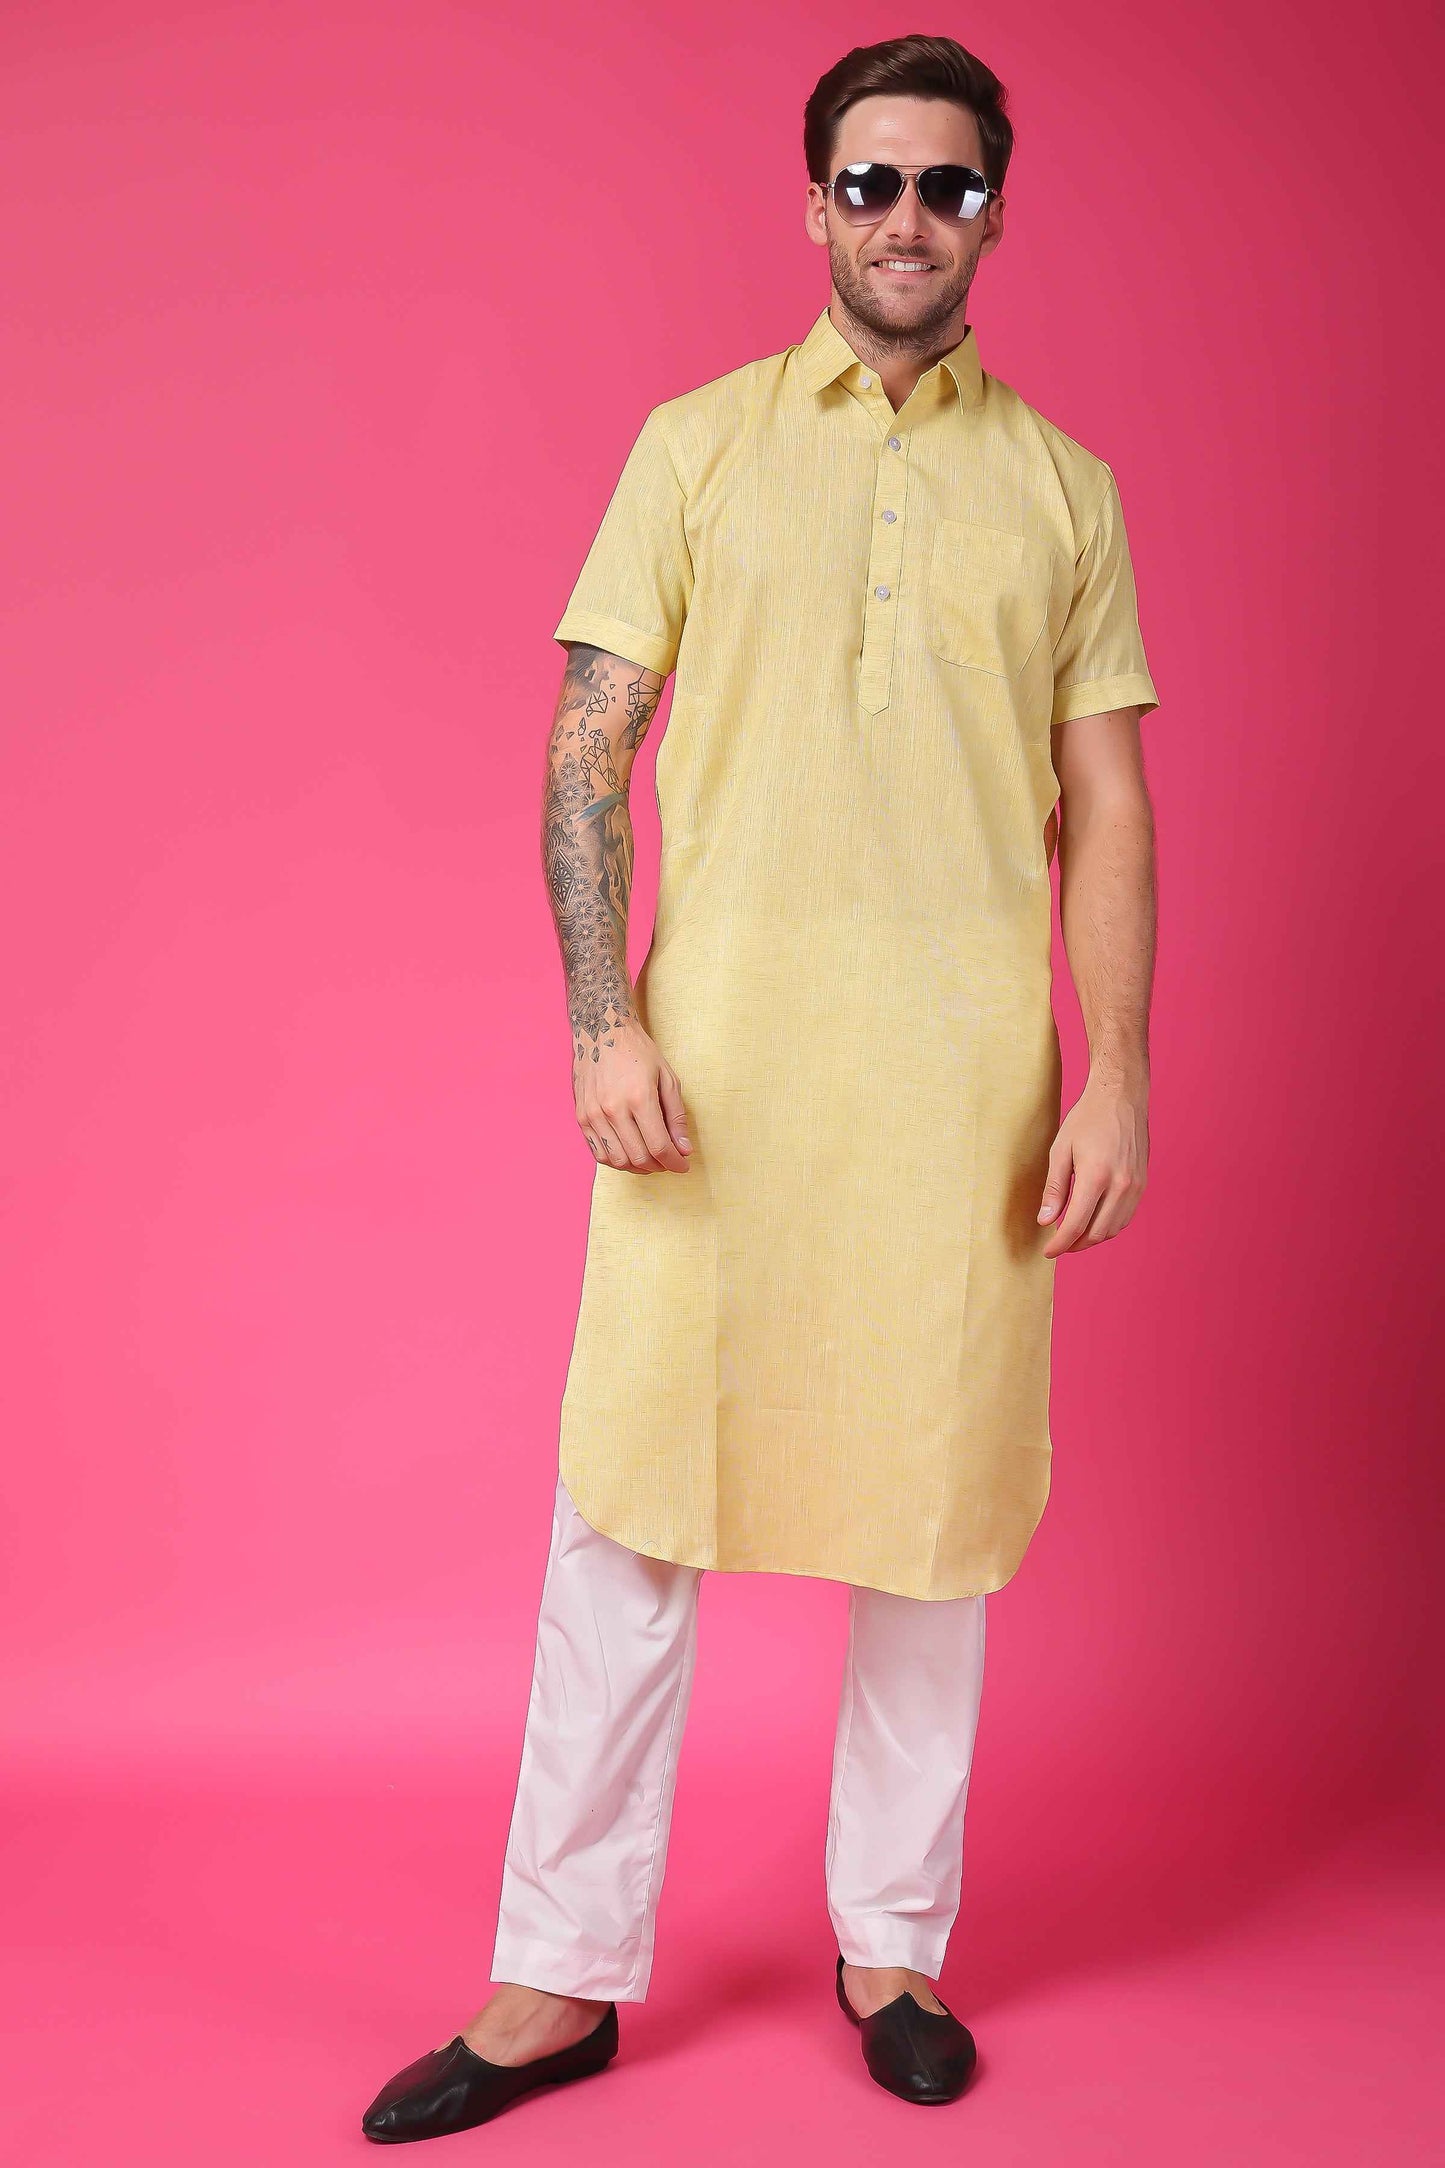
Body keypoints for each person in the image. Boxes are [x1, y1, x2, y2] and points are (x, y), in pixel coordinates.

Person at [362, 29, 1161, 2142]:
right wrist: (599, 1022)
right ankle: (557, 1975)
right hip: (709, 1094)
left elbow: (1106, 800)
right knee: (628, 1509)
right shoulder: (695, 448)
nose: (907, 217)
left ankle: (892, 1945)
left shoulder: (1064, 489)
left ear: (993, 212)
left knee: (935, 1525)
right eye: (870, 182)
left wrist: (1117, 1073)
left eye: (946, 184)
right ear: (814, 206)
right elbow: (584, 746)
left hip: (962, 1100)